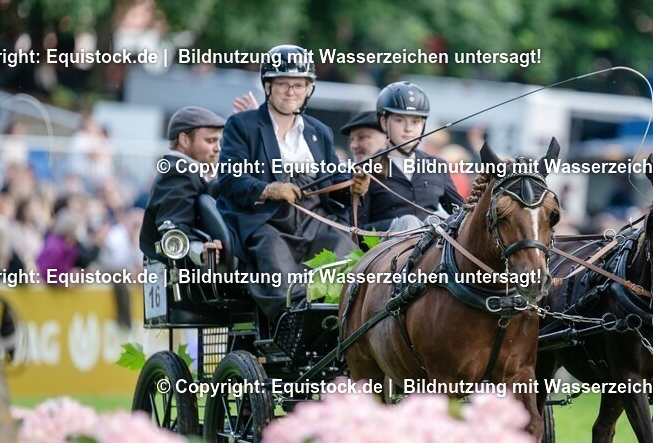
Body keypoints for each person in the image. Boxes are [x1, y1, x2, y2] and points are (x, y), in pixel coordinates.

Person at [217, 44, 369, 322]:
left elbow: (335, 179)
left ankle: (337, 318)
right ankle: (294, 321)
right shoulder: (242, 126)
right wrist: (268, 189)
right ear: (268, 86)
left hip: (313, 219)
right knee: (273, 251)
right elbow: (229, 178)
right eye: (283, 83)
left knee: (342, 243)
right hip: (267, 221)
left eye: (299, 85)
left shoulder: (319, 131)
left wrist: (352, 187)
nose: (291, 91)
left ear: (309, 89)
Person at [355, 81, 463, 232]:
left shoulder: (438, 166)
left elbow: (462, 215)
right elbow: (356, 230)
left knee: (439, 217)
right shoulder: (366, 169)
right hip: (387, 250)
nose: (408, 129)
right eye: (400, 120)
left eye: (415, 121)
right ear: (384, 122)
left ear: (423, 124)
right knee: (409, 222)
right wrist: (396, 226)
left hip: (431, 249)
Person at [140, 106, 226, 265]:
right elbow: (173, 227)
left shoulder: (184, 172)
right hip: (178, 279)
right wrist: (201, 251)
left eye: (219, 141)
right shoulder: (179, 173)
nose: (218, 148)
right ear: (184, 140)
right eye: (210, 140)